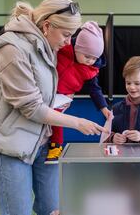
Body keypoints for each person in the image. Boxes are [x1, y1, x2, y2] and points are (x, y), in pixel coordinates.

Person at [0, 0, 107, 215]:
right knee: (18, 211)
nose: (68, 42)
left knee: (53, 208)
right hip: (13, 145)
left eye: (72, 36)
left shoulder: (49, 45)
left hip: (43, 141)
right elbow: (31, 107)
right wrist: (77, 122)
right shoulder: (12, 49)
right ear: (46, 26)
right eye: (66, 35)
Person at [46, 21, 109, 163]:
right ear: (77, 48)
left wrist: (104, 109)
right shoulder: (63, 48)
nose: (90, 61)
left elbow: (95, 89)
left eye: (94, 58)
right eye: (87, 56)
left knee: (56, 119)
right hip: (46, 90)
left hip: (62, 97)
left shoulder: (91, 70)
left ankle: (56, 146)